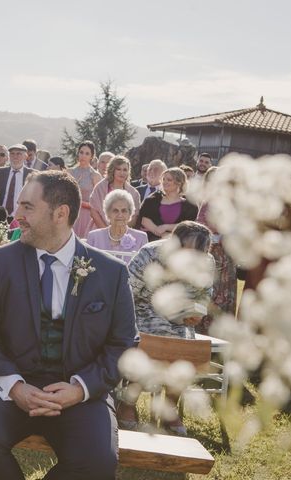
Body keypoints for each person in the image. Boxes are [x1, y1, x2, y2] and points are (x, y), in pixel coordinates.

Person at [0, 170, 138, 479]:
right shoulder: (1, 262)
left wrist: (79, 389)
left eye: (27, 207)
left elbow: (123, 344)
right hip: (11, 384)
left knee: (97, 463)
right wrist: (14, 386)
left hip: (78, 393)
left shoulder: (111, 272)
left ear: (60, 213)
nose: (17, 215)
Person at [120, 221, 213, 434]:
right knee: (151, 341)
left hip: (181, 318)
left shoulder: (206, 262)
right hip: (143, 310)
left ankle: (170, 406)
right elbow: (125, 292)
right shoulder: (149, 254)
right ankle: (128, 403)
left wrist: (197, 312)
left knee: (186, 347)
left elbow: (205, 294)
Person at [195, 166, 237, 335]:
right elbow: (200, 225)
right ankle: (203, 329)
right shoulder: (206, 202)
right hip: (210, 252)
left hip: (227, 254)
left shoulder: (232, 202)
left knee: (225, 293)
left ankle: (222, 332)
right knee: (208, 290)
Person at [139, 167, 199, 242]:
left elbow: (188, 225)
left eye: (169, 180)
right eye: (163, 179)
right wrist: (163, 235)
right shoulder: (152, 199)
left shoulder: (190, 206)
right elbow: (144, 219)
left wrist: (166, 227)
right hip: (151, 241)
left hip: (178, 244)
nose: (165, 182)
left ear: (179, 183)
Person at [86, 190, 148, 262]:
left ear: (130, 214)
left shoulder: (141, 238)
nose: (120, 215)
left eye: (124, 211)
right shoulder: (94, 237)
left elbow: (144, 268)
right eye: (115, 211)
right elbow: (87, 265)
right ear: (108, 214)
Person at [89, 155, 141, 232]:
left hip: (123, 233)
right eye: (118, 169)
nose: (122, 173)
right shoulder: (100, 188)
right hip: (99, 230)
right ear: (112, 170)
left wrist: (119, 230)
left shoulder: (134, 193)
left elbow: (134, 217)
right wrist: (106, 231)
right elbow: (94, 211)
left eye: (125, 170)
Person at [67, 141, 103, 238]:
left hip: (86, 215)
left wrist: (81, 203)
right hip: (69, 212)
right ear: (78, 153)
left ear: (91, 156)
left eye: (87, 153)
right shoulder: (69, 172)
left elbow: (98, 202)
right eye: (81, 152)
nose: (83, 156)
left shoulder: (95, 175)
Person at [0, 144, 33, 218]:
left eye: (19, 154)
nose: (15, 156)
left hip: (22, 217)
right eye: (12, 153)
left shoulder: (32, 175)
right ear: (9, 156)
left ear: (25, 156)